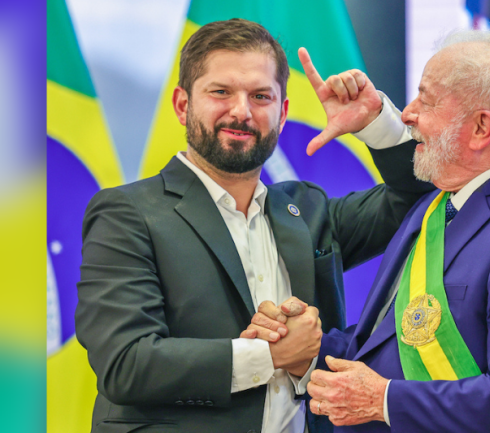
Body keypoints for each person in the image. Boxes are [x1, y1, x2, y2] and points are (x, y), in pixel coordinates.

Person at [75, 19, 432, 433]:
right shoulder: (126, 213)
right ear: (182, 105)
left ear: (282, 114)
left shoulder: (309, 210)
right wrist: (274, 355)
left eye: (260, 96)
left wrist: (377, 123)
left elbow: (416, 197)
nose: (242, 111)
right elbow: (126, 364)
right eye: (220, 92)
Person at [245, 30, 490, 432]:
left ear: (481, 127)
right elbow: (381, 349)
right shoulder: (437, 204)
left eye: (426, 101)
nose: (407, 113)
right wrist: (303, 349)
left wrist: (382, 400)